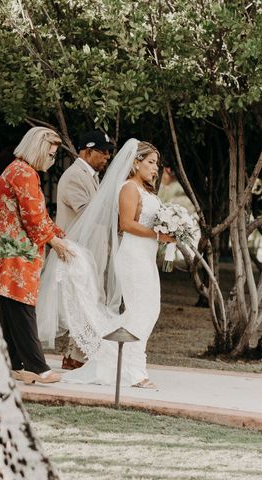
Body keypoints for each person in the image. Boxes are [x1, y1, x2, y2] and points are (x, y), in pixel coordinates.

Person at [37, 139, 175, 388]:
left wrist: (171, 228)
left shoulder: (145, 191)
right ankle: (136, 371)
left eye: (157, 163)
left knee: (149, 311)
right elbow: (126, 224)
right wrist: (157, 234)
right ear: (136, 162)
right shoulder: (128, 188)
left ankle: (113, 360)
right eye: (151, 163)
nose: (156, 168)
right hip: (133, 257)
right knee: (140, 311)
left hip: (146, 255)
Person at [0, 126, 73, 385]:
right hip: (14, 253)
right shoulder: (25, 173)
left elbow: (36, 214)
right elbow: (33, 218)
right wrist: (54, 241)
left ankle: (15, 364)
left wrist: (56, 232)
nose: (52, 161)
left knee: (11, 309)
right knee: (22, 308)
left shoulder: (17, 170)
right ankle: (37, 367)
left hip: (7, 250)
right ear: (39, 150)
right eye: (51, 155)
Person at [55, 130, 113, 370]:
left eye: (109, 153)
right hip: (77, 251)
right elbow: (89, 214)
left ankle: (74, 355)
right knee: (84, 301)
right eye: (104, 152)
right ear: (88, 151)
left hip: (91, 251)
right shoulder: (74, 176)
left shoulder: (92, 176)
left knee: (88, 301)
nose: (108, 157)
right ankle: (77, 356)